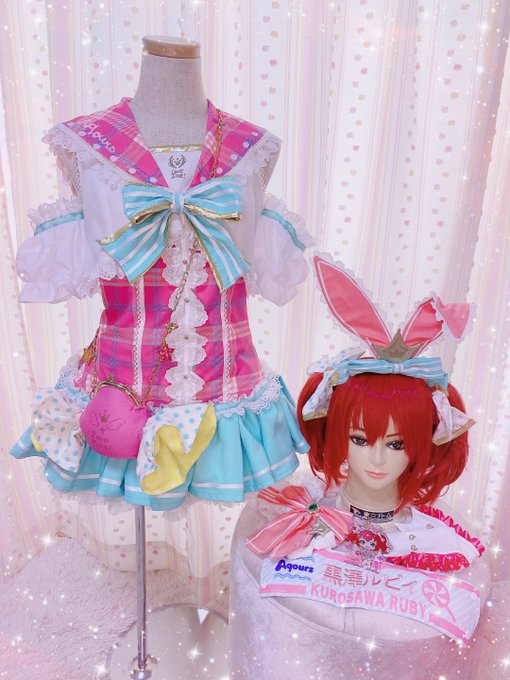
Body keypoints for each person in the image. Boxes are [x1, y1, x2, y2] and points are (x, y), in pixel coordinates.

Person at [10, 36, 313, 509]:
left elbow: (270, 272)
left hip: (226, 386)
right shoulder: (88, 144)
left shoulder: (251, 147)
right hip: (120, 386)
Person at [247, 255, 484, 571]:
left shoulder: (435, 542)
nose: (377, 459)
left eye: (396, 444)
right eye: (359, 440)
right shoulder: (305, 508)